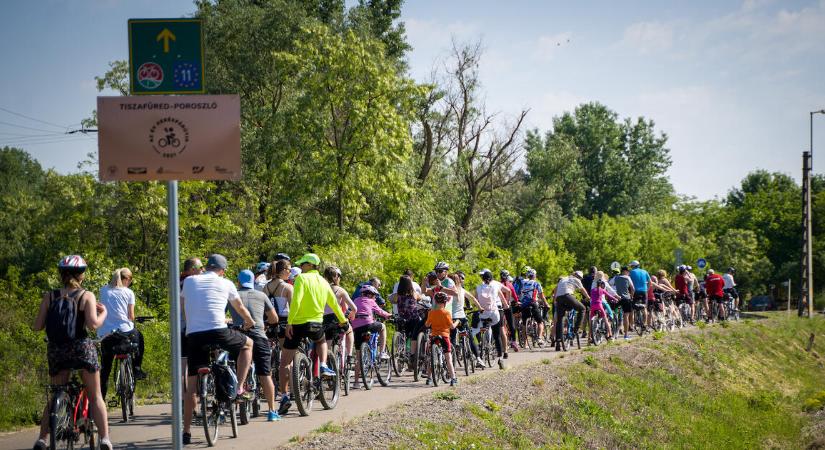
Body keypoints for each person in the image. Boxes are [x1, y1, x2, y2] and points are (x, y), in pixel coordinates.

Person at [32, 255, 113, 450]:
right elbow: (93, 325)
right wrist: (104, 313)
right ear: (82, 275)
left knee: (56, 394)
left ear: (61, 275)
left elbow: (37, 326)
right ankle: (105, 439)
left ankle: (42, 439)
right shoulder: (86, 295)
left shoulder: (50, 296)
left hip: (57, 350)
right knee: (95, 396)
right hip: (81, 349)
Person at [181, 254, 255, 444]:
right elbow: (239, 308)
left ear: (206, 267)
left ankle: (186, 432)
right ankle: (238, 387)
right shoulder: (226, 283)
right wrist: (250, 321)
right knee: (248, 344)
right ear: (222, 270)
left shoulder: (189, 281)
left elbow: (184, 308)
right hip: (218, 332)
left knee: (191, 387)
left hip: (194, 335)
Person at [277, 253, 347, 415]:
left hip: (298, 323)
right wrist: (343, 321)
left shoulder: (301, 279)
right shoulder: (323, 282)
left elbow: (297, 301)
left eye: (302, 264)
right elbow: (333, 304)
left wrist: (290, 322)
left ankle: (285, 397)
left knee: (285, 362)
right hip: (316, 323)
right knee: (321, 342)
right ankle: (323, 365)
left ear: (309, 265)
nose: (300, 267)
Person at [232, 270, 280, 421]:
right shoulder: (261, 295)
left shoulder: (232, 296)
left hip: (238, 336)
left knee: (234, 368)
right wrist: (264, 324)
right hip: (258, 335)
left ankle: (231, 403)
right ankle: (272, 412)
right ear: (253, 282)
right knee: (265, 374)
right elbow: (274, 318)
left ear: (238, 282)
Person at [98, 267, 146, 402]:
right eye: (130, 279)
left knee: (105, 369)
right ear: (126, 279)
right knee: (139, 337)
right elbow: (131, 316)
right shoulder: (128, 292)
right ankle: (137, 368)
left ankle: (100, 401)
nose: (130, 282)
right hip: (125, 332)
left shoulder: (103, 290)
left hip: (106, 334)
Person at [351, 284, 391, 388]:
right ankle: (382, 352)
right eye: (374, 296)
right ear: (370, 295)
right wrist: (388, 315)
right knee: (382, 327)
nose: (375, 298)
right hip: (368, 325)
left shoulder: (355, 300)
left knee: (359, 356)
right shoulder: (371, 301)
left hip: (356, 328)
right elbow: (380, 312)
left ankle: (356, 382)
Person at [392, 275, 429, 371]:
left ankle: (402, 351)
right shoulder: (414, 294)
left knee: (404, 335)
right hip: (413, 319)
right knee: (418, 334)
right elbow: (422, 298)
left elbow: (392, 299)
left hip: (402, 320)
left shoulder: (397, 295)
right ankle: (415, 355)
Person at [448, 273, 484, 368]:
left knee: (451, 339)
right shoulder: (462, 290)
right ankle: (478, 359)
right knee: (470, 338)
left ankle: (450, 362)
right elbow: (472, 298)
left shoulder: (448, 292)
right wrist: (480, 307)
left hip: (451, 318)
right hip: (462, 318)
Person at [323, 265, 357, 366]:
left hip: (324, 321)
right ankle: (350, 355)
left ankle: (326, 364)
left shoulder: (322, 289)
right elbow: (354, 308)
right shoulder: (340, 290)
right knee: (349, 330)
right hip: (337, 319)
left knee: (327, 343)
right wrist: (352, 314)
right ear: (336, 277)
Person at [425, 292, 458, 386]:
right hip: (444, 336)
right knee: (448, 358)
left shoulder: (431, 313)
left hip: (434, 336)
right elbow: (452, 327)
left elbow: (427, 325)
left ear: (435, 301)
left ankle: (429, 378)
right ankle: (453, 379)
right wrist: (457, 322)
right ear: (445, 302)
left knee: (432, 358)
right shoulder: (447, 313)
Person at [475, 269, 508, 363]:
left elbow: (475, 299)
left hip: (483, 314)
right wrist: (506, 306)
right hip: (494, 314)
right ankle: (500, 357)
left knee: (480, 328)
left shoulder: (478, 287)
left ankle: (481, 348)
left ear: (483, 278)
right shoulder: (495, 287)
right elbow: (503, 299)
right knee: (497, 334)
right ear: (491, 279)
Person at [553, 271, 590, 351]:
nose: (580, 279)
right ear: (578, 277)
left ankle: (558, 343)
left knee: (559, 320)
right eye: (580, 278)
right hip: (568, 295)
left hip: (559, 298)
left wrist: (555, 299)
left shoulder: (563, 279)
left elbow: (555, 289)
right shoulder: (576, 279)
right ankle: (576, 330)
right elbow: (582, 289)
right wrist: (588, 297)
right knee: (582, 309)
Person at [518, 268, 548, 344]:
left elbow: (520, 294)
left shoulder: (523, 283)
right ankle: (539, 338)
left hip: (524, 304)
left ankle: (525, 343)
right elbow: (541, 295)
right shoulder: (536, 283)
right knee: (540, 322)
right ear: (534, 275)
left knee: (524, 323)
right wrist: (546, 304)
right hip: (532, 303)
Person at [609, 267, 635, 339]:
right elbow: (633, 288)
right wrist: (632, 296)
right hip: (626, 298)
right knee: (626, 316)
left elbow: (609, 284)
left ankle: (610, 333)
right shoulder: (628, 278)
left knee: (612, 313)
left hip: (617, 298)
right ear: (626, 271)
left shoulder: (615, 277)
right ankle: (626, 335)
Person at [499, 270, 519, 352]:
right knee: (511, 324)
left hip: (499, 306)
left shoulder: (498, 284)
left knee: (501, 325)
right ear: (507, 277)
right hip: (507, 306)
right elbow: (514, 295)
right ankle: (514, 341)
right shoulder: (510, 285)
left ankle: (503, 342)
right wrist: (517, 301)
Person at [628, 260, 652, 328]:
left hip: (635, 291)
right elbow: (650, 282)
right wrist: (647, 289)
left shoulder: (631, 272)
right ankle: (644, 324)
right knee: (644, 307)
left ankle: (631, 325)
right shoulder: (645, 271)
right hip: (644, 291)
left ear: (633, 266)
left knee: (632, 308)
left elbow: (628, 282)